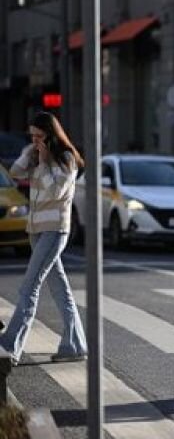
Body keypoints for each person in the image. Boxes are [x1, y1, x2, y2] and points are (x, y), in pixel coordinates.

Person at [0, 112, 87, 365]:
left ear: (51, 135)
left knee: (29, 287)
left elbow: (56, 190)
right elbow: (15, 173)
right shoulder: (35, 155)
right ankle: (75, 344)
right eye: (32, 136)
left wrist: (46, 161)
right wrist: (30, 153)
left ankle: (9, 346)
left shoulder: (66, 158)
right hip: (36, 230)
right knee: (60, 289)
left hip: (55, 230)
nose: (35, 140)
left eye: (39, 136)